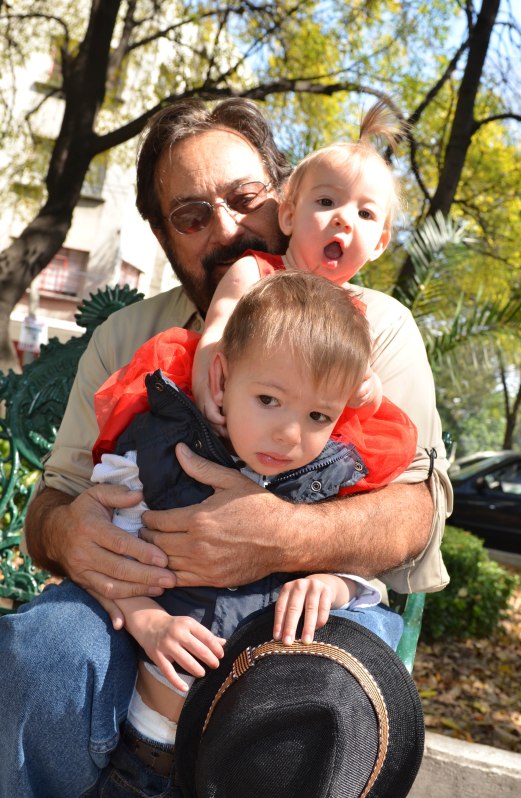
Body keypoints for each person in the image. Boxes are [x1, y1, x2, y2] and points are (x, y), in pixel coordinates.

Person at [0, 97, 451, 798]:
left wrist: (286, 536)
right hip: (141, 593)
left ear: (283, 198)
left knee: (316, 704)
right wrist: (66, 531)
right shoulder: (130, 340)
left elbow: (413, 512)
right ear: (161, 233)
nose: (228, 227)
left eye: (247, 199)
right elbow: (53, 503)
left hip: (293, 612)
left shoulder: (370, 330)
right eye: (191, 215)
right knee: (44, 652)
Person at [88, 271, 417, 791]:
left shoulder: (329, 480)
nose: (289, 434)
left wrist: (331, 584)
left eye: (317, 415)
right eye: (268, 400)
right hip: (146, 743)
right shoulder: (161, 453)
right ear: (220, 380)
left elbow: (366, 586)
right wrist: (147, 621)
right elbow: (108, 552)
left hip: (244, 754)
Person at [192, 100, 398, 424]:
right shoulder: (255, 273)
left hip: (300, 443)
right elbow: (216, 329)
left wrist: (367, 391)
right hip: (235, 418)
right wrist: (205, 382)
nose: (345, 219)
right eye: (327, 201)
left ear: (379, 245)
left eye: (365, 213)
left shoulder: (356, 320)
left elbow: (357, 412)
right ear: (288, 215)